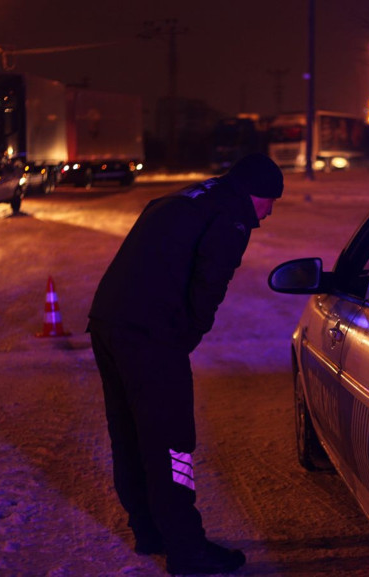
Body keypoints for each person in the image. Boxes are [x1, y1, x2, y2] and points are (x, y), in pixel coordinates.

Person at [88, 153, 283, 575]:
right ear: (253, 194)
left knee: (130, 433)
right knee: (172, 442)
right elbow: (209, 285)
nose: (267, 214)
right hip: (151, 335)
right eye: (269, 202)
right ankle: (187, 550)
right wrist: (183, 338)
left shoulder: (191, 196)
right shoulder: (230, 217)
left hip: (108, 322)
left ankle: (149, 531)